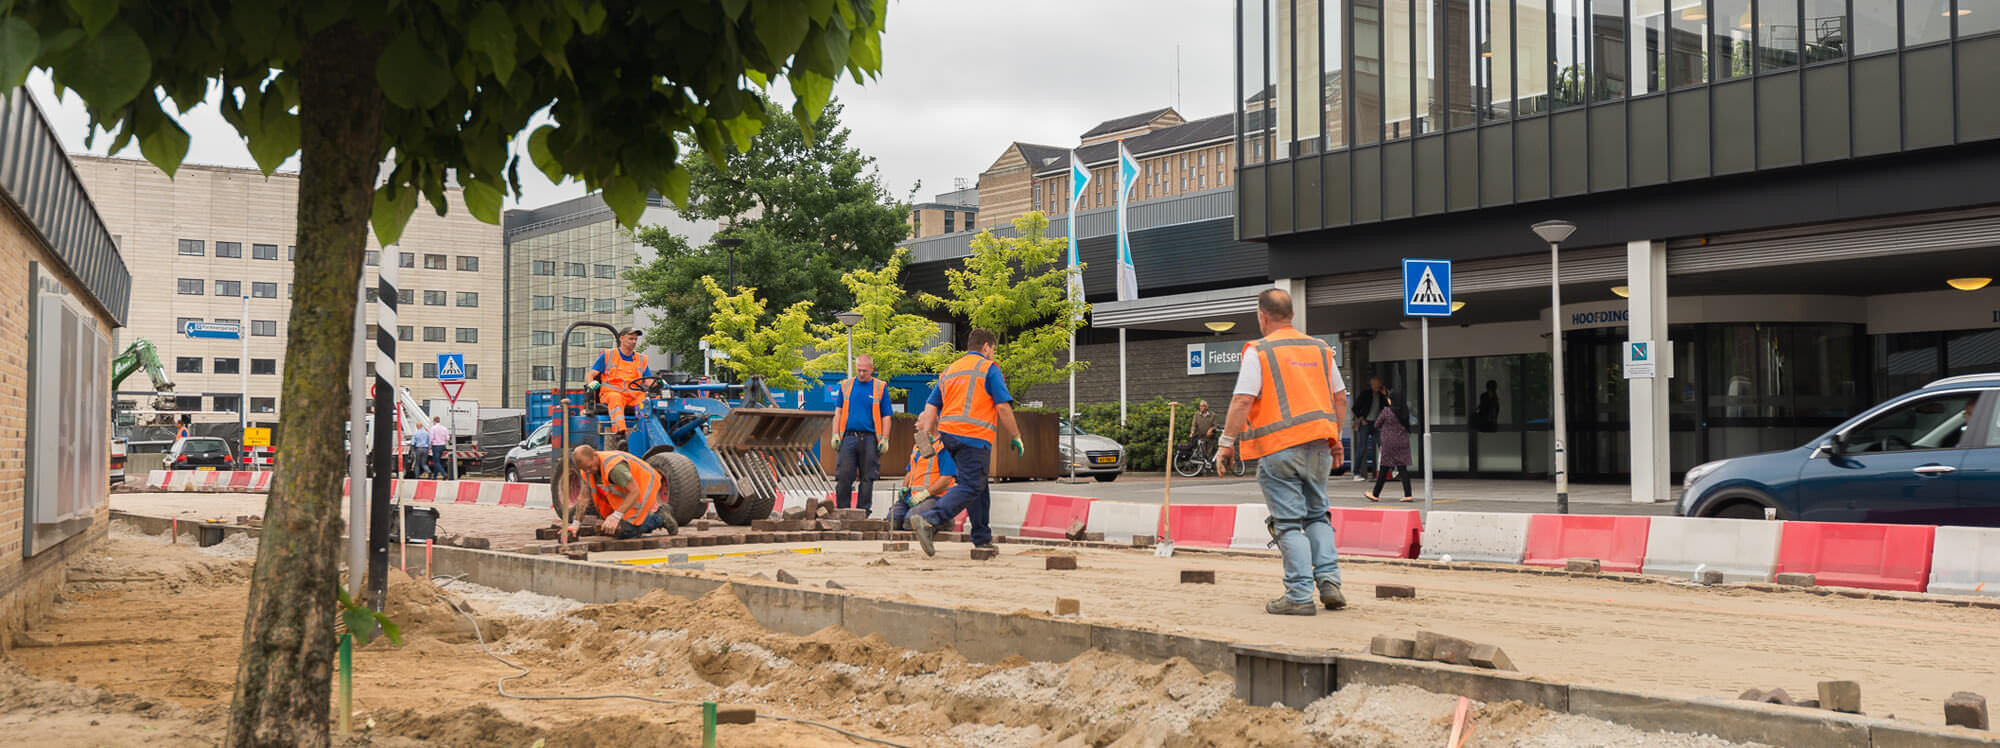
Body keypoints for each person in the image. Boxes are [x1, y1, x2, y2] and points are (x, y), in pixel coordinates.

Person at [1215, 288, 1348, 616]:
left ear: (1262, 316)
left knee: (1288, 523)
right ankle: (1329, 581)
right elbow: (1340, 397)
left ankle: (1299, 595)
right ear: (1291, 315)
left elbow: (1243, 399)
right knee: (1318, 515)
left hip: (1279, 450)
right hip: (1319, 447)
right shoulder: (1320, 349)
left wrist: (1226, 443)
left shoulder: (1258, 350)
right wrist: (1336, 439)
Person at [908, 328, 1021, 557]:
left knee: (979, 485)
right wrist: (1015, 435)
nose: (993, 354)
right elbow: (1002, 406)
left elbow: (931, 406)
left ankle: (982, 538)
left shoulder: (950, 370)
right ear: (987, 346)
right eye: (993, 349)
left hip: (949, 437)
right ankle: (930, 520)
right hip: (973, 437)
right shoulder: (989, 368)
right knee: (971, 485)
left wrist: (927, 437)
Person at [566, 445, 677, 539]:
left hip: (643, 488)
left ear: (595, 455)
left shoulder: (614, 468)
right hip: (629, 494)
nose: (588, 471)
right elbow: (584, 498)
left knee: (626, 531)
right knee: (609, 529)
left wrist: (616, 516)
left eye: (590, 467)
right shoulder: (586, 469)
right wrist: (576, 524)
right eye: (585, 469)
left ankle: (660, 517)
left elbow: (635, 492)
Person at [833, 354, 893, 511]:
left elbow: (886, 416)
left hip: (870, 439)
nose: (861, 373)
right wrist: (835, 434)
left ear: (872, 369)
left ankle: (863, 512)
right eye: (858, 370)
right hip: (848, 438)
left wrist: (885, 438)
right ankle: (842, 511)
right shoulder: (846, 385)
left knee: (868, 477)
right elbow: (838, 412)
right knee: (844, 476)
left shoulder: (880, 387)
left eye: (864, 371)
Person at [586, 328, 651, 438]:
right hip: (611, 394)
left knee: (648, 401)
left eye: (635, 339)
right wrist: (592, 387)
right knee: (616, 398)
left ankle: (648, 433)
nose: (634, 342)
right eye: (631, 338)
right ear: (621, 338)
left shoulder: (641, 359)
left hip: (633, 396)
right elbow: (590, 375)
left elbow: (649, 380)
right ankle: (620, 432)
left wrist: (653, 388)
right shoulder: (608, 355)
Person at [891, 433, 956, 531]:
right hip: (912, 497)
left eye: (920, 421)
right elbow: (910, 471)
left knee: (911, 522)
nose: (916, 424)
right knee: (892, 522)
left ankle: (945, 521)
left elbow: (947, 478)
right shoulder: (917, 446)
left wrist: (926, 493)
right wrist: (904, 488)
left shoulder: (943, 447)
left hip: (936, 497)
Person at [1364, 390, 1415, 502]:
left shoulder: (1386, 411)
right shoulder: (1405, 411)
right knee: (1402, 468)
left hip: (1389, 443)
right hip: (1403, 442)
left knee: (1384, 468)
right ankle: (1408, 494)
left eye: (1389, 398)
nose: (1388, 400)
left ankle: (1375, 494)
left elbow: (1377, 424)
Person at [1350, 376, 1385, 482]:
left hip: (1376, 424)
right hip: (1365, 423)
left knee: (1383, 446)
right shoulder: (1365, 394)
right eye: (1374, 384)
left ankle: (1388, 471)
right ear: (1371, 384)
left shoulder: (1381, 395)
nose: (1376, 386)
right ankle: (1356, 473)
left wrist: (1385, 394)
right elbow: (1354, 408)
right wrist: (1362, 418)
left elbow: (1388, 406)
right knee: (1362, 448)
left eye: (1378, 383)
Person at [1188, 399, 1219, 467]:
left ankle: (1209, 468)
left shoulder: (1213, 415)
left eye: (1203, 406)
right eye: (1200, 406)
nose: (1201, 407)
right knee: (1202, 454)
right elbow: (1194, 425)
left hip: (1210, 437)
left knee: (1209, 453)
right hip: (1201, 437)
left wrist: (1211, 429)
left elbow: (1215, 425)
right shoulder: (1196, 415)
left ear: (1206, 407)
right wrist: (1192, 432)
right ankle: (1202, 470)